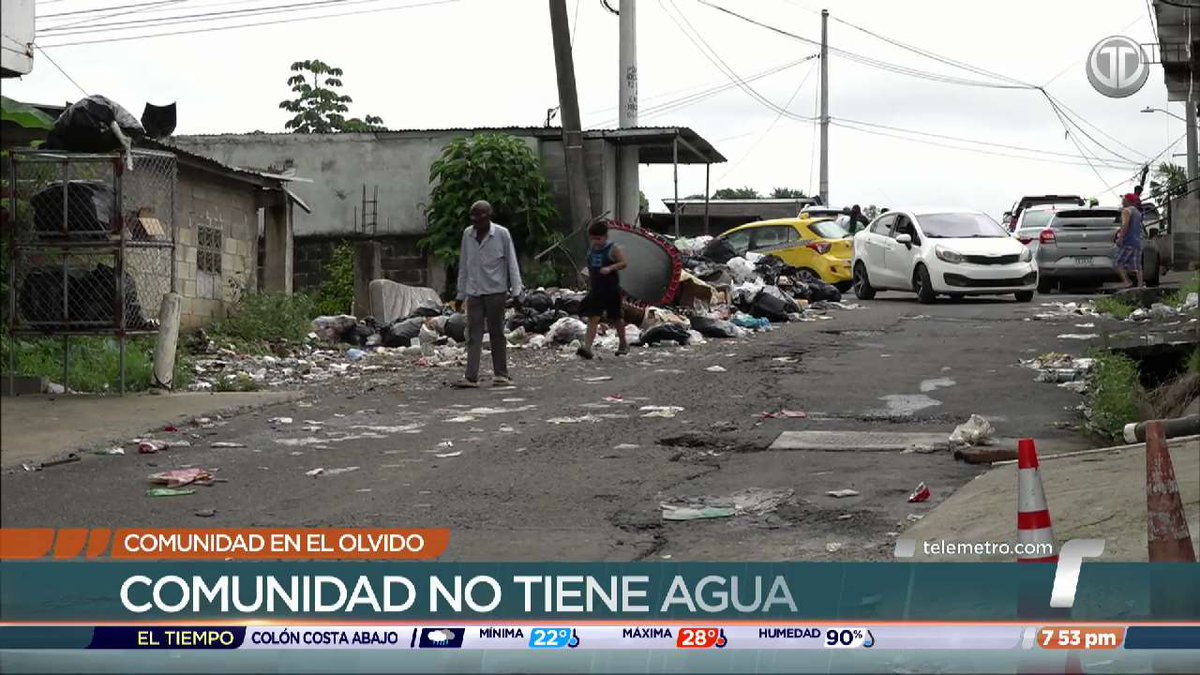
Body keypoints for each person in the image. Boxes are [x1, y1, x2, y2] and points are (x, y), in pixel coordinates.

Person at [454, 200, 523, 388]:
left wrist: (517, 292)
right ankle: (471, 376)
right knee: (473, 335)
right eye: (473, 217)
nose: (475, 221)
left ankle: (501, 374)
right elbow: (464, 265)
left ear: (489, 216)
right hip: (474, 292)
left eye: (479, 217)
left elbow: (512, 264)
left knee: (497, 333)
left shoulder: (501, 234)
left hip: (496, 292)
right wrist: (460, 295)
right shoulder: (467, 235)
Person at [576, 221, 629, 360]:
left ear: (605, 237)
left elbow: (623, 263)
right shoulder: (592, 249)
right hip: (597, 288)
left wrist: (610, 268)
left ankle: (623, 343)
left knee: (616, 317)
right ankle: (587, 347)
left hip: (611, 288)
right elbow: (590, 264)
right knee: (593, 317)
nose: (596, 241)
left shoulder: (613, 248)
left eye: (598, 238)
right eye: (593, 238)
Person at [1115, 194, 1144, 289]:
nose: (1122, 201)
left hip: (1128, 241)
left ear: (1127, 200)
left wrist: (1120, 238)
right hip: (1137, 242)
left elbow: (1125, 225)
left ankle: (1127, 282)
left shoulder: (1126, 211)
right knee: (1137, 266)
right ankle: (1140, 286)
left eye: (1123, 199)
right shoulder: (1137, 212)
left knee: (1119, 262)